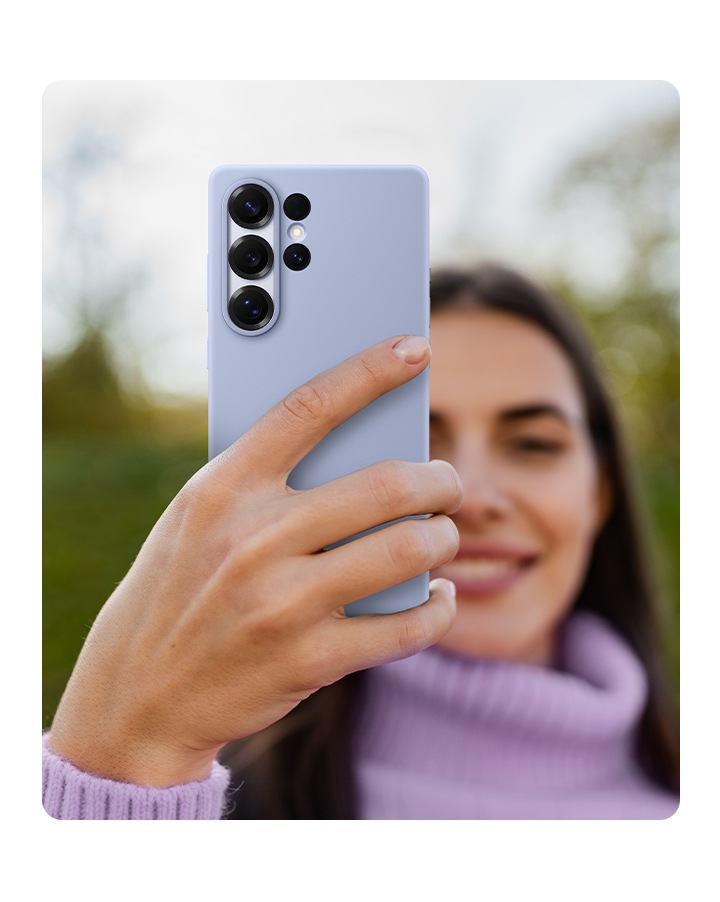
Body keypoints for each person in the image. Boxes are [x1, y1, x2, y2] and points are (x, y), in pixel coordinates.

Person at [42, 265, 679, 819]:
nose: (473, 493)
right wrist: (121, 766)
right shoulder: (190, 798)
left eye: (535, 444)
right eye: (419, 439)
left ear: (601, 492)